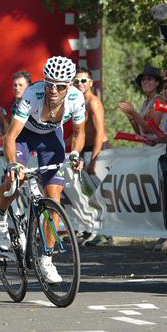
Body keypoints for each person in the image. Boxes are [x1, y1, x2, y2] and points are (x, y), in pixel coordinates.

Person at [0, 56, 85, 283]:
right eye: (49, 83)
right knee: (13, 181)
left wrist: (75, 153)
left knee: (54, 198)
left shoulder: (76, 98)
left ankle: (46, 259)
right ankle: (0, 218)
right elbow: (11, 136)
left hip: (51, 138)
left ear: (69, 86)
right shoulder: (33, 95)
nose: (53, 90)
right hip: (24, 135)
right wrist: (13, 164)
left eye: (60, 86)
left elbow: (80, 132)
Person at [72, 67, 111, 246]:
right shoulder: (78, 102)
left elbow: (100, 131)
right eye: (77, 81)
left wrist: (94, 159)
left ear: (91, 83)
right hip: (85, 151)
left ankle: (106, 235)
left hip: (97, 151)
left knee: (100, 195)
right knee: (88, 195)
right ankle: (92, 231)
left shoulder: (93, 102)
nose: (80, 84)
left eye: (83, 81)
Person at [118, 66, 165, 139]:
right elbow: (140, 133)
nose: (145, 82)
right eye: (143, 79)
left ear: (157, 83)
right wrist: (131, 116)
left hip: (159, 147)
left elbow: (152, 130)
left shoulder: (158, 101)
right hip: (148, 146)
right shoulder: (145, 103)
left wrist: (133, 112)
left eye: (149, 79)